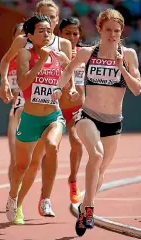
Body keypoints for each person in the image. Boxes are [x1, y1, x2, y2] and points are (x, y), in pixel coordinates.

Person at [51, 9, 141, 236]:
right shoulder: (87, 54)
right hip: (87, 116)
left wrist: (121, 67)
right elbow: (67, 71)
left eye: (117, 30)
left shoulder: (129, 55)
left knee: (100, 173)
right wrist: (58, 87)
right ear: (99, 29)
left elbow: (137, 89)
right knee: (96, 154)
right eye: (108, 29)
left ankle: (83, 206)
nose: (112, 34)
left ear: (121, 32)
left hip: (114, 122)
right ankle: (89, 209)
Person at [0, 0, 76, 222]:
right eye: (44, 19)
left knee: (51, 147)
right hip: (26, 109)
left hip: (53, 112)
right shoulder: (23, 44)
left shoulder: (63, 47)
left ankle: (45, 198)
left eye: (52, 20)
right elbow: (10, 66)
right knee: (23, 164)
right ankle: (15, 200)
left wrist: (69, 89)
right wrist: (4, 81)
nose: (48, 26)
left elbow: (68, 71)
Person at [58, 17, 85, 203]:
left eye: (75, 33)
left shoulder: (86, 54)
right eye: (67, 33)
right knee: (49, 149)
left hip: (77, 109)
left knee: (77, 142)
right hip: (55, 109)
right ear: (60, 33)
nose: (72, 36)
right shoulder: (52, 53)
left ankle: (73, 179)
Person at [6, 23, 25, 184]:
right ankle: (14, 197)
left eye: (25, 34)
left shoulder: (35, 57)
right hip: (16, 112)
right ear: (14, 38)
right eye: (19, 34)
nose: (23, 37)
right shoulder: (8, 61)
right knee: (14, 159)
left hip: (34, 113)